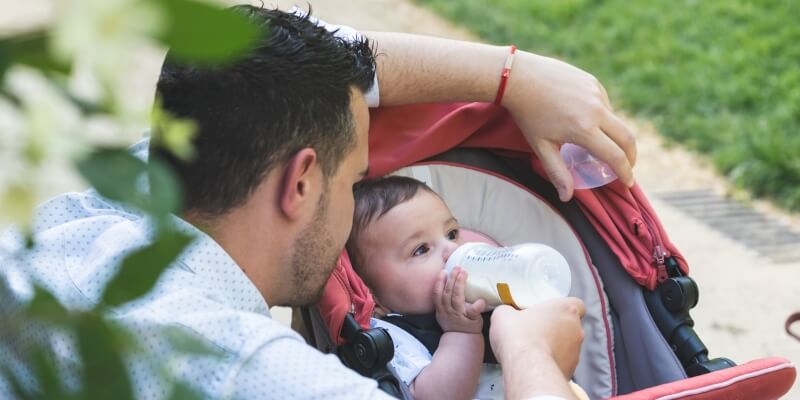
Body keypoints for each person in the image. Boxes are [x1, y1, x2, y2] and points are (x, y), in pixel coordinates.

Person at [0, 5, 617, 399]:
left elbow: (310, 50)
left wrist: (516, 77)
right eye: (351, 182)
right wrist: (533, 357)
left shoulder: (135, 193)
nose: (351, 204)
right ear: (300, 184)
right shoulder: (252, 374)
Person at [346, 176, 589, 400]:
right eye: (421, 249)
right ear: (372, 296)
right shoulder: (391, 337)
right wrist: (460, 333)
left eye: (451, 234)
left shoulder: (485, 296)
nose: (452, 250)